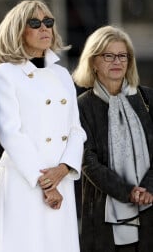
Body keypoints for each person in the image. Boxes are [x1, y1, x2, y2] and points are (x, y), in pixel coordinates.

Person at [0, 0, 86, 252]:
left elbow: (76, 130)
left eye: (48, 22)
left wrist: (64, 169)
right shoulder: (5, 74)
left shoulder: (63, 74)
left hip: (61, 178)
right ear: (19, 30)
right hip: (26, 179)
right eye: (35, 22)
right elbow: (10, 133)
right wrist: (45, 182)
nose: (44, 28)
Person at [72, 25, 153, 252]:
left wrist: (147, 189)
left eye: (122, 56)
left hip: (149, 210)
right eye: (108, 56)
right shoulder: (81, 106)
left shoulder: (147, 99)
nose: (116, 62)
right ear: (93, 62)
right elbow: (87, 160)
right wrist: (128, 192)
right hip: (103, 214)